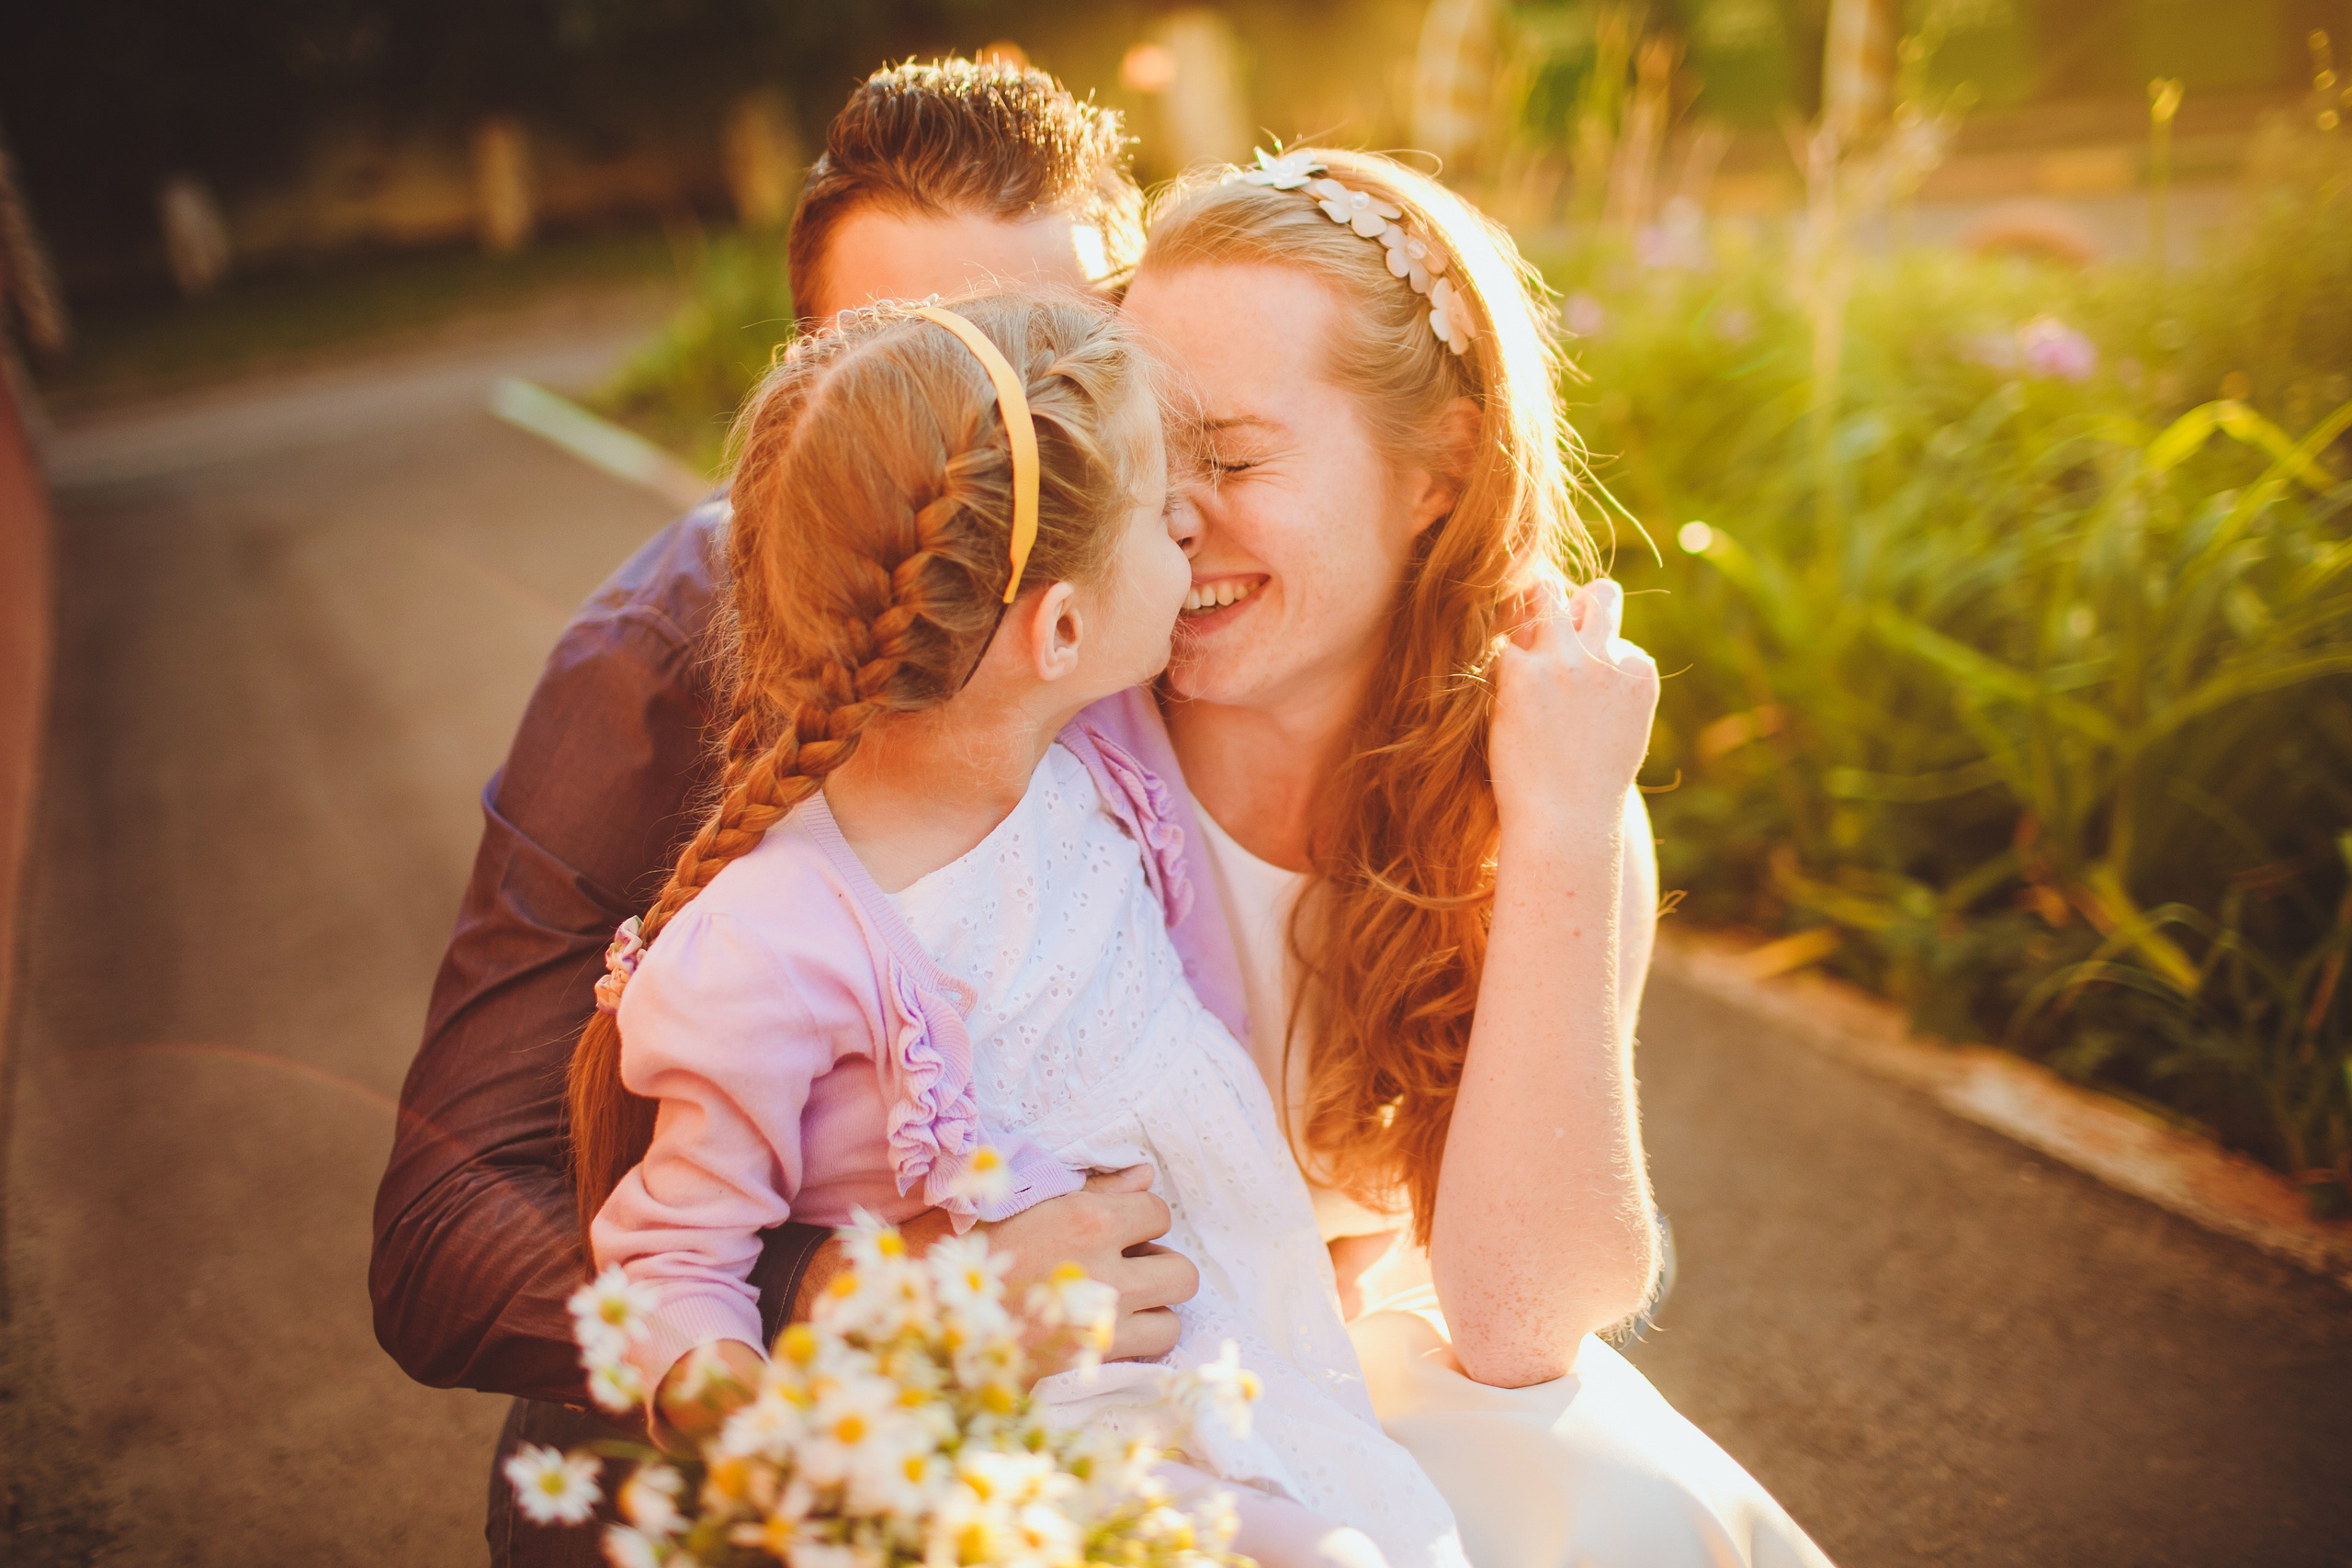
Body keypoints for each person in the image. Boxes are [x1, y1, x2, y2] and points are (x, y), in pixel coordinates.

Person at [368, 60, 1193, 1568]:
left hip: (1173, 1395)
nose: (987, 453)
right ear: (805, 393)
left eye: (1055, 361)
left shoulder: (1185, 587)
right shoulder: (658, 651)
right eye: (912, 364)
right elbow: (443, 1230)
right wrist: (859, 1304)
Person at [569, 291, 1468, 1568]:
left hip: (1233, 1353)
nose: (1193, 527)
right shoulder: (769, 944)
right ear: (1059, 631)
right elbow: (667, 1271)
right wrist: (801, 1444)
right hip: (1044, 1447)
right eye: (1162, 519)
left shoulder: (1087, 772)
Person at [1102, 146, 1835, 1567]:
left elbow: (1516, 1322)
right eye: (1140, 450)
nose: (1172, 513)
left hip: (1382, 1389)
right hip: (1102, 1393)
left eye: (1234, 456)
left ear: (1438, 471)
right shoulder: (1051, 750)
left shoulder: (1528, 798)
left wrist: (1562, 828)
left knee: (1619, 1514)